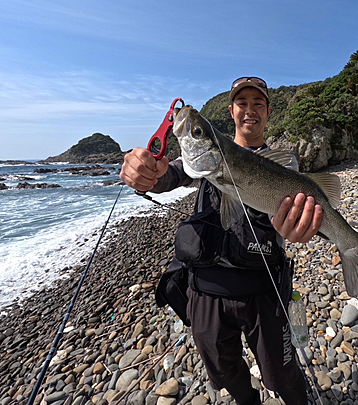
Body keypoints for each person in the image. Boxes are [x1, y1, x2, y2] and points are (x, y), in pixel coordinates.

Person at [120, 77, 323, 405]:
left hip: (263, 287)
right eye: (242, 103)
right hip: (206, 290)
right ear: (231, 111)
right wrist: (144, 173)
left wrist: (300, 231)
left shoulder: (282, 164)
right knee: (224, 370)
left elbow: (295, 220)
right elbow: (168, 176)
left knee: (282, 374)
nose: (250, 110)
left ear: (269, 112)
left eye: (258, 104)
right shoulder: (207, 156)